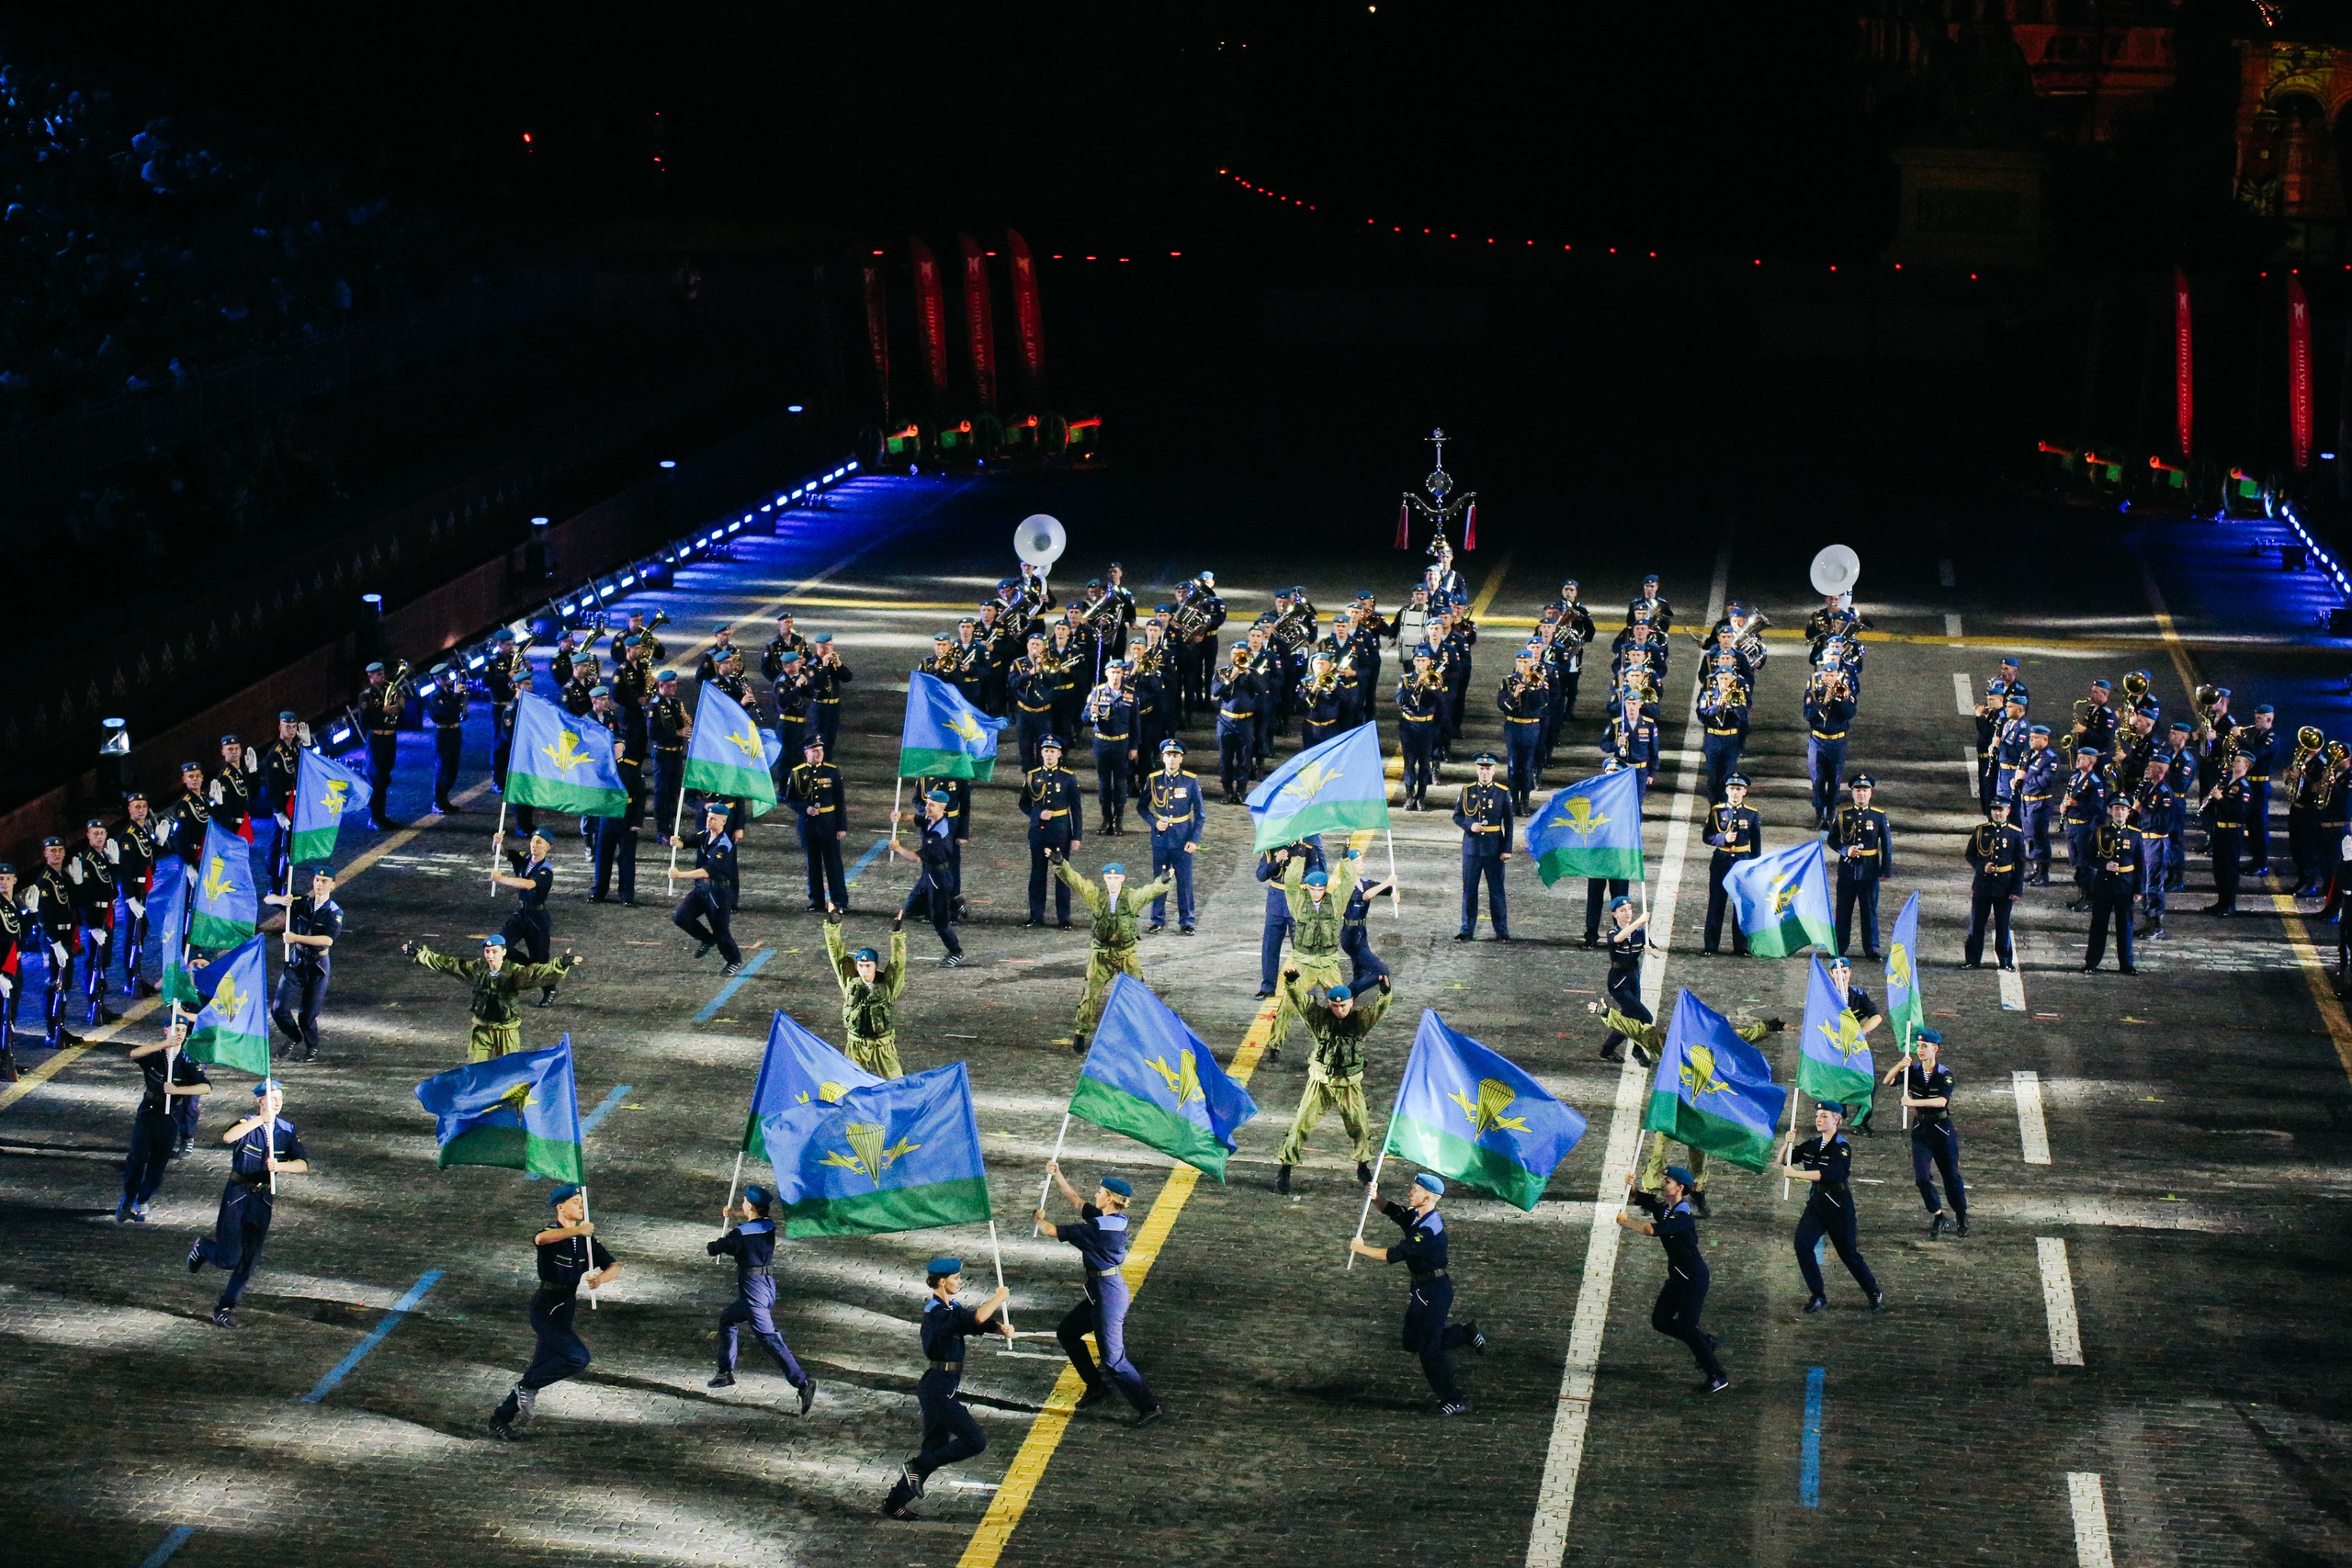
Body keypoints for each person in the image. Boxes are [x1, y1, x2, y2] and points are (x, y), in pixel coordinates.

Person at [1589, 1003, 1783, 1206]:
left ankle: (1697, 1190)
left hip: (1698, 1107)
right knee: (1660, 1150)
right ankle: (1650, 1192)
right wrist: (1607, 1013)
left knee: (1697, 1150)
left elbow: (1740, 1038)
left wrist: (1767, 1027)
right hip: (1673, 1106)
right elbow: (1636, 1029)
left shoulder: (1709, 1044)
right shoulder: (1668, 1043)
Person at [879, 1257, 1012, 1519]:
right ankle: (916, 1465)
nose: (960, 1281)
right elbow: (975, 1316)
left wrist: (999, 1327)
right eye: (956, 1278)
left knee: (936, 1446)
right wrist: (999, 1298)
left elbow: (976, 1322)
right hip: (938, 1390)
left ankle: (894, 1502)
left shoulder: (950, 1308)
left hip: (940, 1385)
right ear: (942, 1281)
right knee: (975, 1441)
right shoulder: (937, 1313)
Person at [1036, 1163, 1164, 1426]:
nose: (1096, 1195)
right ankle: (1095, 1386)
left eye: (1099, 1192)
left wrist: (1038, 1219)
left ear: (1108, 1198)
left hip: (1107, 1296)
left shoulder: (1096, 1230)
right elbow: (1078, 1201)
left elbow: (1052, 1231)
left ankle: (1149, 1406)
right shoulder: (1112, 1221)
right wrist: (1057, 1174)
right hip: (1103, 1290)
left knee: (1113, 1359)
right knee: (1067, 1333)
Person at [1347, 1170, 1483, 1416]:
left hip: (1435, 1291)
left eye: (1416, 1190)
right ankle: (1464, 1334)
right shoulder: (1417, 1215)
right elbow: (1396, 1212)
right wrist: (1376, 1198)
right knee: (1411, 1341)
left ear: (1429, 1197)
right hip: (1422, 1288)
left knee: (1429, 1351)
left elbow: (1394, 1255)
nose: (1411, 1193)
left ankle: (1453, 1398)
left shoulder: (1428, 1229)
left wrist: (1362, 1249)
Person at [490, 1183, 619, 1438]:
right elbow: (540, 1238)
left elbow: (613, 1265)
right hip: (546, 1308)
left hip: (565, 1307)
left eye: (580, 1202)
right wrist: (577, 1230)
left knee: (540, 1366)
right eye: (575, 1202)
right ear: (560, 1207)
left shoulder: (586, 1241)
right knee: (577, 1358)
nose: (581, 1206)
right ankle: (527, 1386)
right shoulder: (554, 1233)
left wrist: (601, 1279)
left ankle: (500, 1419)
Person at [185, 1080, 309, 1327]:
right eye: (271, 1099)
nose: (276, 1104)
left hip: (262, 1199)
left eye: (279, 1099)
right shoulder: (247, 1123)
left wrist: (281, 1166)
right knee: (229, 1257)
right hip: (238, 1194)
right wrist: (261, 1119)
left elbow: (303, 1164)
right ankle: (204, 1248)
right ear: (259, 1101)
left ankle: (225, 1307)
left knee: (249, 1260)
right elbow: (229, 1137)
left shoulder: (287, 1130)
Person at [1272, 971, 1393, 1194]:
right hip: (1320, 1081)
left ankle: (1362, 1165)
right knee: (1301, 1124)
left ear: (1352, 1003)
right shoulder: (1318, 1018)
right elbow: (1301, 1000)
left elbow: (1380, 1008)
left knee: (1360, 1125)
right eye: (1334, 1006)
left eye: (1343, 1006)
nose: (1339, 1010)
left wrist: (1385, 993)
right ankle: (1285, 1167)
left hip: (1349, 1083)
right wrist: (1291, 984)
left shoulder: (1361, 1020)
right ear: (1329, 1005)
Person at [1616, 1164, 1729, 1393]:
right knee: (1661, 1321)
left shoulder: (1683, 1216)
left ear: (1679, 1188)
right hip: (1678, 1277)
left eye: (1667, 1181)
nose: (1663, 1183)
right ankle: (1704, 1344)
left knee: (1687, 1327)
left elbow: (1650, 1230)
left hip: (1693, 1280)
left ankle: (1717, 1375)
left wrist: (1625, 1222)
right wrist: (1632, 1187)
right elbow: (1643, 1200)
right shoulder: (1666, 1208)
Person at [706, 1185, 817, 1411]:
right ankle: (725, 1372)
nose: (742, 1204)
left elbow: (715, 1248)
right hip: (766, 1287)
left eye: (744, 1202)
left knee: (770, 1338)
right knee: (728, 1320)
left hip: (753, 1292)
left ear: (751, 1206)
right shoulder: (768, 1226)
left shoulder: (740, 1235)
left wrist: (714, 1244)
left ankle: (802, 1382)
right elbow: (754, 1223)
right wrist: (734, 1214)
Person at [1053, 857, 1175, 1054]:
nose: (1112, 882)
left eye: (1116, 878)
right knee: (1091, 993)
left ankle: (1141, 1033)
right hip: (1101, 952)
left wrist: (1162, 881)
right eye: (1109, 878)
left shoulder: (1131, 898)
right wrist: (1061, 865)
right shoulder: (1097, 897)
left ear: (1123, 879)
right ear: (1104, 879)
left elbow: (1148, 892)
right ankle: (1081, 1031)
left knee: (1137, 992)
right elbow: (1076, 882)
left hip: (1125, 952)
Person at [402, 933, 581, 1060]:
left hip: (506, 1029)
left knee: (510, 1073)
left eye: (495, 952)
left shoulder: (513, 973)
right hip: (481, 1028)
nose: (490, 956)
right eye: (488, 952)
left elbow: (535, 974)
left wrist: (559, 964)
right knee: (476, 1070)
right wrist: (420, 954)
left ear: (503, 952)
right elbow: (449, 965)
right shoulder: (477, 969)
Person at [1781, 1102, 1885, 1314]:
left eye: (1825, 1116)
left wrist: (1796, 1175)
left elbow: (1827, 1174)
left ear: (1836, 1120)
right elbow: (1785, 1161)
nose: (1819, 1119)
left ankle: (1873, 1291)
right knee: (1802, 1245)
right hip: (1817, 1203)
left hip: (1838, 1205)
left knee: (1848, 1253)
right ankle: (1818, 1294)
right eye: (1818, 1115)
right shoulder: (1812, 1144)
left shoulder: (1842, 1147)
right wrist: (1787, 1144)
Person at [119, 1021, 208, 1222]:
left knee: (158, 1165)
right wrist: (163, 1044)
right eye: (176, 1029)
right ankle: (129, 1196)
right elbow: (134, 1054)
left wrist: (178, 1091)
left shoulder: (187, 1061)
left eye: (184, 1030)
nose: (180, 1034)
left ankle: (143, 1199)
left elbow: (205, 1087)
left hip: (171, 1115)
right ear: (166, 1030)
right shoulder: (156, 1055)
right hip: (149, 1111)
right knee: (137, 1157)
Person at [1883, 1030, 1966, 1237]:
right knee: (1921, 1177)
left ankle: (1961, 1214)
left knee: (1951, 1176)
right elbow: (1888, 1081)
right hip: (1921, 1130)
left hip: (1941, 1129)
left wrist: (1913, 1102)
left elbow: (1941, 1101)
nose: (1920, 1050)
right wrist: (1899, 1066)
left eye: (1924, 1047)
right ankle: (1938, 1215)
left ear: (1935, 1049)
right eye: (1919, 1046)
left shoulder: (1944, 1075)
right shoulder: (1914, 1071)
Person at [1265, 861, 1347, 1059]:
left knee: (1344, 1005)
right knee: (1287, 1005)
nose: (1316, 893)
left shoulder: (1335, 903)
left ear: (1326, 889)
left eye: (1320, 890)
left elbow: (1348, 884)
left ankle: (1345, 1048)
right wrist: (1299, 858)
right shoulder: (1299, 902)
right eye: (1312, 889)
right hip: (1304, 963)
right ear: (1307, 888)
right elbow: (1291, 882)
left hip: (1328, 963)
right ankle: (1275, 1045)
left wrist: (1346, 862)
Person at [264, 865, 340, 1062]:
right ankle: (293, 1036)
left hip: (318, 965)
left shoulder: (334, 912)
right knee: (278, 1009)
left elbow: (327, 940)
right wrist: (281, 900)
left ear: (333, 885)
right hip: (297, 961)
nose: (319, 884)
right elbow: (267, 899)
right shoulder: (302, 902)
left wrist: (296, 937)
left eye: (324, 881)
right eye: (316, 880)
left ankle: (312, 1046)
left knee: (307, 1016)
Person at [824, 908, 910, 1077]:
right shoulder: (850, 983)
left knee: (895, 1085)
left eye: (868, 966)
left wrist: (897, 934)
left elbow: (898, 964)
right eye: (861, 966)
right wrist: (832, 926)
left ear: (875, 966)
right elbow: (837, 955)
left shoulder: (887, 986)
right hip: (856, 1045)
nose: (864, 970)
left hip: (882, 1045)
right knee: (849, 1084)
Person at [888, 790, 965, 967]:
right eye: (927, 803)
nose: (926, 807)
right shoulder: (932, 819)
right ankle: (955, 904)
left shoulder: (938, 835)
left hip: (938, 877)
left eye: (931, 805)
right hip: (929, 874)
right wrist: (901, 816)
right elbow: (917, 819)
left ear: (942, 808)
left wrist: (897, 848)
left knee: (939, 921)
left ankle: (955, 951)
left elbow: (916, 858)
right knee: (912, 907)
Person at [672, 804, 745, 976]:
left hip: (718, 893)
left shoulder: (724, 845)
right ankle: (706, 938)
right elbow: (690, 841)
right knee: (681, 917)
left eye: (713, 819)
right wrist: (678, 842)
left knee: (721, 931)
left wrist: (680, 875)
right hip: (703, 889)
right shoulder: (707, 835)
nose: (709, 820)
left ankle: (734, 959)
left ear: (723, 822)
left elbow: (707, 871)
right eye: (708, 817)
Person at [492, 828, 563, 1007]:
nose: (534, 844)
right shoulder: (525, 859)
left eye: (539, 842)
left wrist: (501, 879)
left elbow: (528, 884)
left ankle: (549, 989)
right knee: (500, 946)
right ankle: (526, 964)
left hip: (537, 919)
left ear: (547, 848)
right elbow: (505, 853)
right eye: (533, 841)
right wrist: (497, 843)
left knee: (540, 961)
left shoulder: (546, 871)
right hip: (521, 914)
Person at [1020, 738, 1083, 927]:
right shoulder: (1032, 776)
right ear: (1041, 753)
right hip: (1039, 831)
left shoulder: (1068, 777)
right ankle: (1036, 915)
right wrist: (1038, 814)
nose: (1049, 755)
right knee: (1037, 874)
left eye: (1053, 751)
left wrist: (1076, 836)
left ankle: (1064, 918)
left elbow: (1076, 809)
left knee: (1062, 874)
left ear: (1059, 754)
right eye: (1046, 751)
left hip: (1060, 829)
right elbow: (1023, 803)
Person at [1828, 773, 1891, 959]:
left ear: (1871, 793)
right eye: (1858, 791)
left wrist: (1885, 869)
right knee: (1843, 909)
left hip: (1869, 869)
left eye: (1865, 791)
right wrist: (1844, 850)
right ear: (1852, 793)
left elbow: (1887, 845)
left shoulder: (1879, 816)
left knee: (1869, 909)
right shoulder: (1843, 815)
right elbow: (1832, 839)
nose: (1861, 794)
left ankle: (1872, 948)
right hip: (1848, 869)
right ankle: (1839, 946)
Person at [1144, 739, 1203, 934]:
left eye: (1175, 756)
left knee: (1184, 882)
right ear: (1163, 757)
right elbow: (1141, 807)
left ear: (1181, 759)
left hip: (1182, 836)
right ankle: (1157, 919)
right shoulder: (1154, 779)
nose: (1171, 759)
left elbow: (1200, 815)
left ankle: (1187, 921)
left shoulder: (1190, 780)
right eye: (1168, 755)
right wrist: (1154, 822)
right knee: (1160, 879)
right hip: (1161, 838)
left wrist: (1194, 840)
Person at [786, 737, 850, 913]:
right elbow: (789, 799)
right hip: (808, 825)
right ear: (806, 753)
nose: (819, 753)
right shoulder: (797, 773)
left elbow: (840, 800)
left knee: (833, 863)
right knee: (813, 864)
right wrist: (804, 809)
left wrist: (841, 826)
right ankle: (816, 900)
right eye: (815, 750)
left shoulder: (832, 772)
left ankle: (839, 900)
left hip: (828, 823)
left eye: (820, 750)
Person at [1453, 752, 1514, 941]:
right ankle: (1466, 929)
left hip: (1494, 848)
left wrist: (1507, 849)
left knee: (1496, 891)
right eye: (1481, 769)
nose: (1484, 773)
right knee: (1469, 890)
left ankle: (1501, 929)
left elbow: (1509, 823)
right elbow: (1457, 816)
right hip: (1472, 848)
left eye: (1488, 769)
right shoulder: (1467, 791)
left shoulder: (1502, 792)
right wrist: (1469, 825)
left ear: (1494, 771)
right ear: (1477, 770)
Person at [1702, 774, 1761, 955]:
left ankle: (1741, 946)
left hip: (1742, 861)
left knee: (1741, 904)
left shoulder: (1751, 813)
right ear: (1727, 790)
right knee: (1716, 903)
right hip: (1721, 860)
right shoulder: (1717, 811)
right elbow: (1707, 836)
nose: (1735, 793)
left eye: (1738, 789)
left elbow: (1756, 843)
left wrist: (1754, 866)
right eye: (1732, 789)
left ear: (1744, 792)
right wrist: (1723, 838)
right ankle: (1711, 945)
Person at [2083, 794, 2143, 976]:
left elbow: (2141, 864)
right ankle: (2092, 961)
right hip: (2105, 884)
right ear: (2111, 811)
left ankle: (2126, 963)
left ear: (2129, 812)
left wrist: (2139, 889)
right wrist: (2104, 865)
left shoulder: (2135, 834)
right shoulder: (2101, 833)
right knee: (2099, 924)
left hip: (2126, 884)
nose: (2119, 812)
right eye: (2116, 809)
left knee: (2125, 925)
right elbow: (2088, 857)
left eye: (2123, 809)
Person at [1962, 799, 2024, 972]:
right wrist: (1982, 867)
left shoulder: (2015, 834)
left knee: (2002, 924)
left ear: (2008, 811)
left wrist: (2017, 888)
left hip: (2004, 885)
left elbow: (2020, 863)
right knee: (1977, 923)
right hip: (1983, 884)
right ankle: (1973, 959)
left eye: (2000, 810)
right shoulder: (1981, 831)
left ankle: (2005, 959)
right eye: (1994, 810)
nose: (1997, 813)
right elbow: (1970, 855)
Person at [1595, 896, 1651, 1063]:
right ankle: (1638, 1049)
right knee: (1645, 1017)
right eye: (1622, 910)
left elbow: (1654, 950)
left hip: (1633, 977)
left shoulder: (1640, 933)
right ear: (1615, 915)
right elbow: (1618, 939)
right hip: (1618, 981)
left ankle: (1608, 1050)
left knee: (1629, 1019)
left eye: (1630, 909)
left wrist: (1651, 951)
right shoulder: (1613, 932)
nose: (1627, 913)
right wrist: (1638, 922)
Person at [1339, 849, 1396, 994]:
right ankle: (1347, 995)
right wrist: (1387, 882)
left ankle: (1349, 998)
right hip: (1351, 936)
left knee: (1360, 974)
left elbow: (1388, 890)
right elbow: (1366, 896)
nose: (1362, 865)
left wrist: (1395, 894)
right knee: (1381, 971)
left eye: (1362, 861)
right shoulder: (1346, 886)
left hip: (1360, 934)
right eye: (1357, 862)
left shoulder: (1365, 883)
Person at [357, 660, 406, 829]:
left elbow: (399, 716)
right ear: (370, 676)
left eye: (382, 673)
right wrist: (382, 712)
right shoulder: (366, 695)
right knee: (376, 779)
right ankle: (375, 818)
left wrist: (401, 707)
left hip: (390, 738)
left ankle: (382, 816)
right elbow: (364, 720)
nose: (382, 676)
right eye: (378, 674)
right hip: (376, 739)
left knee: (385, 778)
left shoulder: (389, 690)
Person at [426, 664, 469, 814]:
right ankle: (438, 801)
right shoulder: (435, 696)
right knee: (443, 768)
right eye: (444, 677)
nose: (448, 680)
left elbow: (457, 710)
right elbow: (445, 711)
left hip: (455, 731)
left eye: (447, 676)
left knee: (452, 769)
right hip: (443, 733)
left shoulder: (450, 693)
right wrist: (457, 696)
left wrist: (462, 700)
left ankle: (445, 800)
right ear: (437, 680)